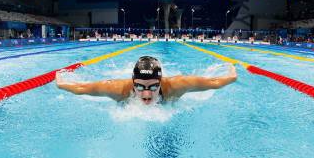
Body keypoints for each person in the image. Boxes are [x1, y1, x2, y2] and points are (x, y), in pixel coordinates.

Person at [56, 56, 237, 105]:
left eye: (153, 87)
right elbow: (82, 88)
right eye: (140, 87)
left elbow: (214, 83)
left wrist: (231, 75)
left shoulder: (177, 86)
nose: (147, 94)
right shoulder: (117, 89)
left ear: (162, 81)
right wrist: (61, 82)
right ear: (132, 82)